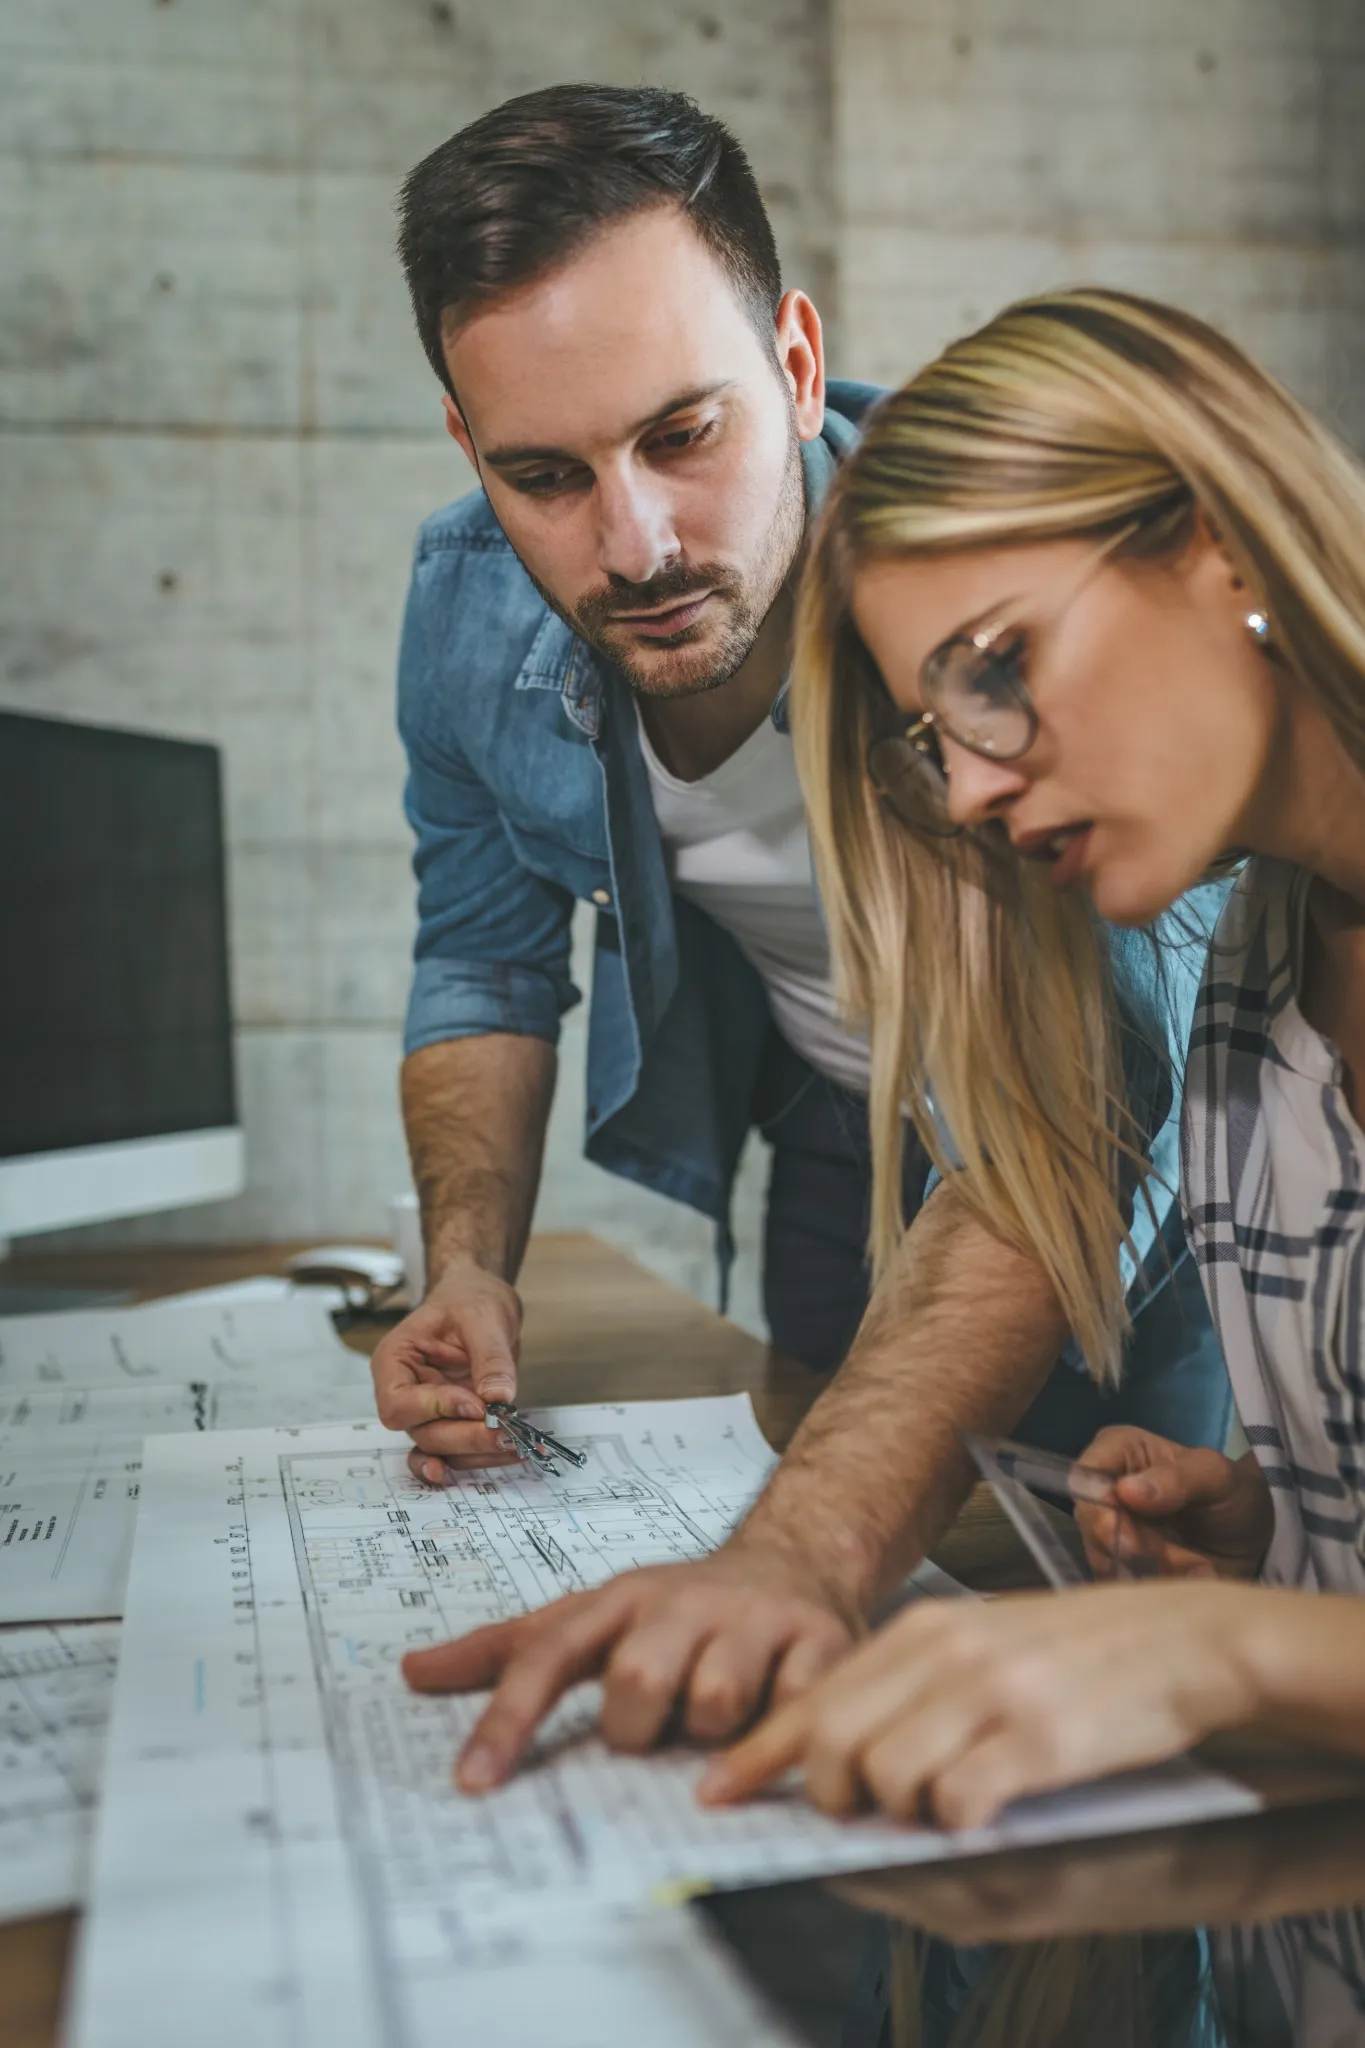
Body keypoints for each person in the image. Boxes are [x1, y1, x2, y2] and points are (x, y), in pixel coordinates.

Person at [379, 87, 1227, 1789]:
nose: (636, 546)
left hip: (1125, 1165)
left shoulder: (1006, 577)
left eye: (683, 433)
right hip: (833, 1131)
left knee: (1115, 1625)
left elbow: (1089, 1111)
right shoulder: (467, 602)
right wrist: (470, 1255)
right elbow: (481, 951)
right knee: (839, 1660)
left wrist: (803, 1541)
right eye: (547, 475)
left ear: (792, 351)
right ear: (470, 448)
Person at [699, 286, 1365, 1829]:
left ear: (1225, 542)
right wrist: (1281, 1537)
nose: (978, 789)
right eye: (938, 740)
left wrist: (1233, 1652)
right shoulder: (1250, 981)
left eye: (994, 671)